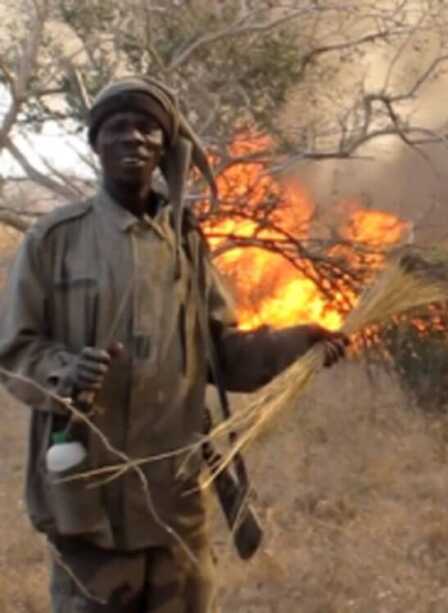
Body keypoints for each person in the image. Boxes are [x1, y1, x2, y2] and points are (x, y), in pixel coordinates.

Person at [0, 76, 348, 612]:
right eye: (117, 128)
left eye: (147, 128)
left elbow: (223, 356)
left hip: (175, 509)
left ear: (166, 145)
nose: (133, 139)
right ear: (95, 144)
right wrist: (62, 372)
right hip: (89, 509)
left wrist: (295, 344)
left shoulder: (185, 244)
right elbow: (15, 352)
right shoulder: (54, 240)